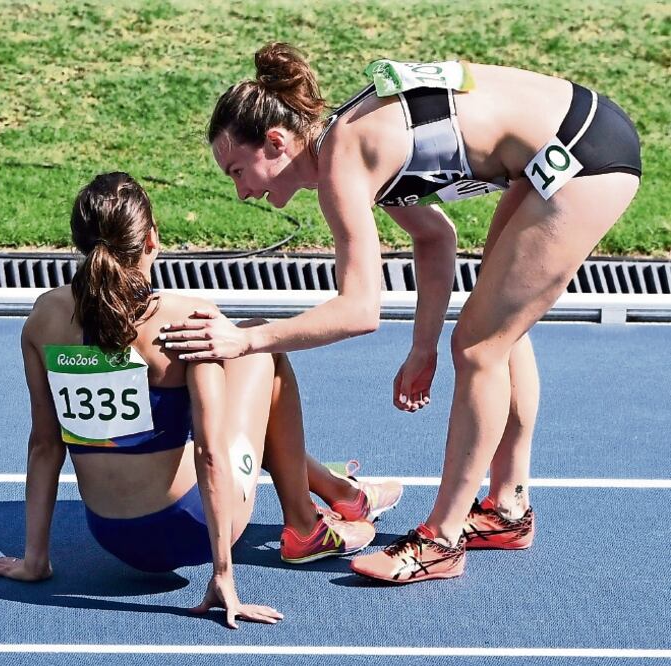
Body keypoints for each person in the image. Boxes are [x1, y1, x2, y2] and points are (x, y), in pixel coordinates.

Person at [159, 44, 641, 584]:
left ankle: (441, 540)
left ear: (275, 142)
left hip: (583, 156)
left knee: (481, 345)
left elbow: (359, 310)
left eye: (238, 170)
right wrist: (422, 345)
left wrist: (245, 341)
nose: (242, 190)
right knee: (500, 325)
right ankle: (507, 507)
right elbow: (436, 238)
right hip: (574, 138)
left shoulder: (345, 157)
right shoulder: (350, 141)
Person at [0, 172, 401, 624]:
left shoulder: (44, 318)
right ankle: (305, 526)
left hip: (111, 535)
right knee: (259, 344)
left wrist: (34, 558)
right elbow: (211, 453)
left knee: (236, 371)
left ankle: (337, 489)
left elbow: (45, 444)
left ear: (79, 242)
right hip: (190, 530)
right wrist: (222, 575)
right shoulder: (186, 319)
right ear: (152, 239)